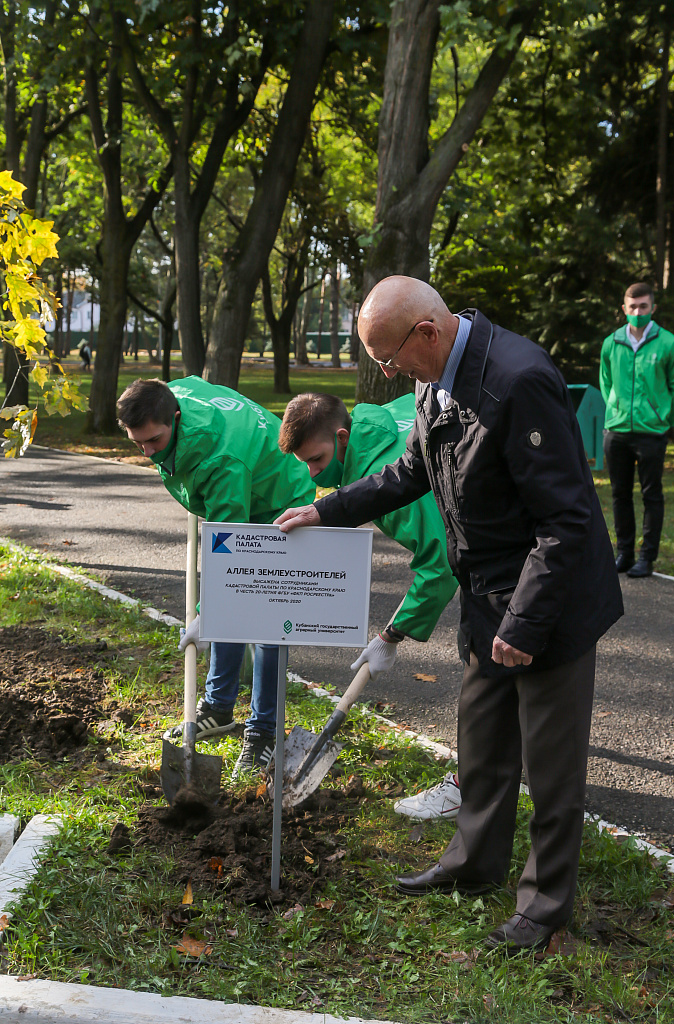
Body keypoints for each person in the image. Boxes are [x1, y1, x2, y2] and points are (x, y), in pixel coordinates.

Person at [276, 276, 623, 952]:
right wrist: (330, 508)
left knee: (551, 769)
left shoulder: (517, 382)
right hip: (489, 594)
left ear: (426, 333)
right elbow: (412, 470)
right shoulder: (433, 377)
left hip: (547, 602)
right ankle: (473, 863)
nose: (385, 372)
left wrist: (524, 624)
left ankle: (544, 908)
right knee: (483, 742)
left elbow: (567, 518)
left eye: (388, 357)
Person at [116, 376, 315, 775]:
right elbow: (195, 384)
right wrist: (216, 609)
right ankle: (220, 706)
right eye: (137, 442)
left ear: (174, 418)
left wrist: (210, 612)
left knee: (263, 616)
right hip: (240, 486)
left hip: (280, 500)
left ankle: (263, 730)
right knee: (227, 604)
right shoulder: (169, 396)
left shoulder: (220, 461)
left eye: (154, 441)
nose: (147, 451)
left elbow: (231, 552)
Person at [279, 390, 461, 819]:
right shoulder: (379, 417)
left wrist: (391, 636)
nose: (313, 472)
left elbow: (440, 565)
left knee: (485, 672)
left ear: (342, 437)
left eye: (318, 460)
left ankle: (472, 784)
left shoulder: (390, 482)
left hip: (510, 554)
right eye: (305, 463)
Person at [599, 282, 674, 578]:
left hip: (651, 432)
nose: (637, 312)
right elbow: (606, 381)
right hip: (617, 431)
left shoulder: (670, 344)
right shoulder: (611, 343)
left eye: (643, 306)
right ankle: (624, 553)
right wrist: (614, 412)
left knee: (652, 495)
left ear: (653, 308)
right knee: (620, 494)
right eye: (632, 307)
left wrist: (666, 421)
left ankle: (647, 557)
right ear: (624, 309)